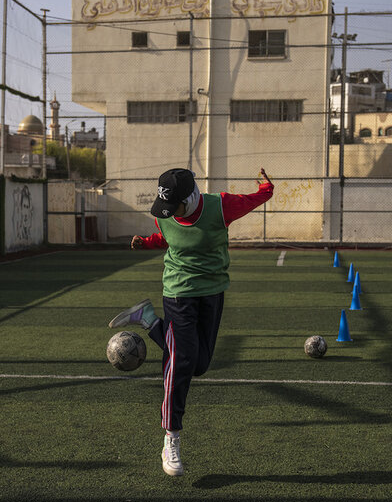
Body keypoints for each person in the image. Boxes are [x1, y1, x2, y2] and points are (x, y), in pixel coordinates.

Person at [109, 167, 274, 476]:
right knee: (181, 361)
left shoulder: (220, 206)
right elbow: (165, 236)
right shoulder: (166, 213)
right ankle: (171, 436)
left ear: (193, 196)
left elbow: (255, 199)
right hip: (178, 292)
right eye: (164, 208)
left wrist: (267, 187)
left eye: (175, 207)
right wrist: (146, 242)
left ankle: (147, 319)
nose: (168, 213)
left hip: (212, 291)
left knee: (200, 364)